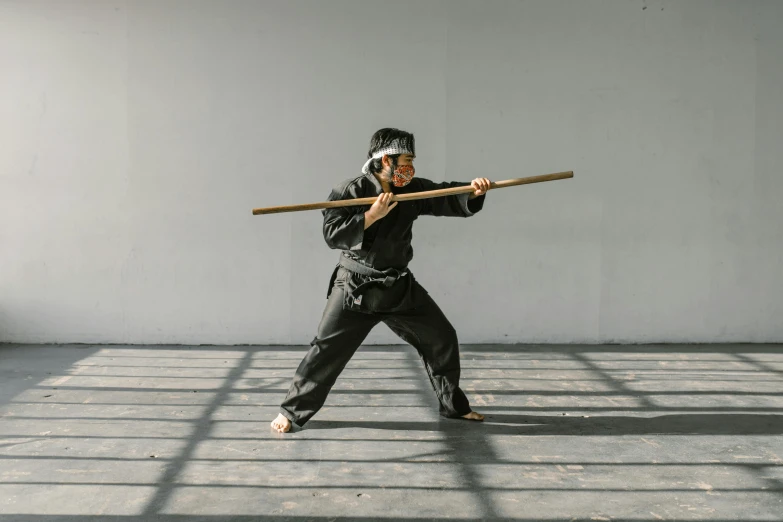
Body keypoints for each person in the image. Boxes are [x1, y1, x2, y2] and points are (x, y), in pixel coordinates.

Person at [271, 128, 490, 433]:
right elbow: (332, 234)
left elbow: (443, 196)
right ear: (386, 159)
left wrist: (473, 191)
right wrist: (371, 215)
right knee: (326, 350)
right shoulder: (351, 190)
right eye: (406, 158)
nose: (411, 165)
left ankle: (453, 406)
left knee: (441, 338)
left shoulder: (412, 190)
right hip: (355, 289)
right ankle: (291, 412)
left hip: (400, 288)